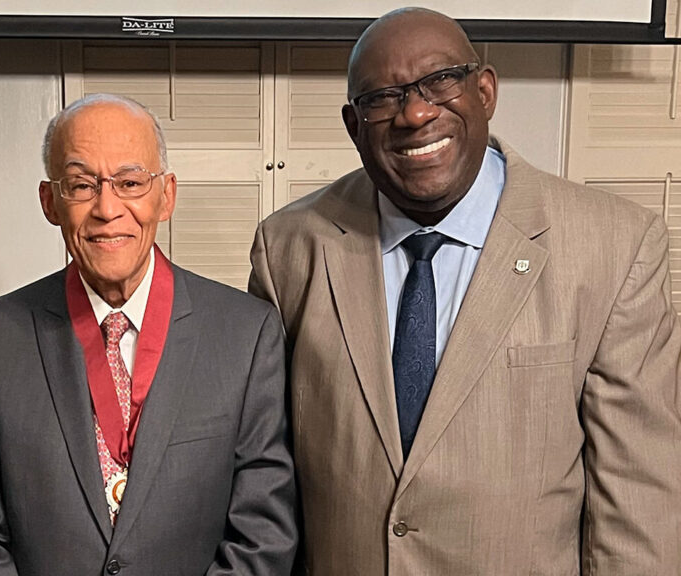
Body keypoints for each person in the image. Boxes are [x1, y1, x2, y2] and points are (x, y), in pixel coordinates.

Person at [249, 8, 681, 575]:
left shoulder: (616, 247)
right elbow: (264, 479)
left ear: (485, 91)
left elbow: (638, 505)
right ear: (354, 126)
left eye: (440, 81)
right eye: (383, 98)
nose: (416, 113)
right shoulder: (287, 248)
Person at [0, 93, 297, 575]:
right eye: (81, 185)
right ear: (50, 202)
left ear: (166, 195)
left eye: (130, 182)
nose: (107, 209)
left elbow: (263, 531)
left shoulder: (246, 333)